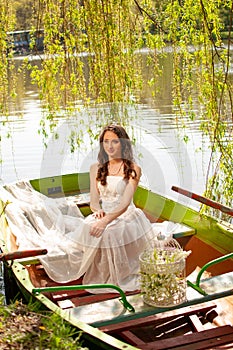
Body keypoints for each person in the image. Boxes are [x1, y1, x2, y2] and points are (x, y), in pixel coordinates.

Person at [4, 124, 155, 293]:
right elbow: (94, 201)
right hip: (104, 214)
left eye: (115, 142)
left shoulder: (133, 169)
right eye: (106, 142)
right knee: (89, 229)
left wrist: (105, 221)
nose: (110, 147)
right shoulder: (96, 168)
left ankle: (116, 275)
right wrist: (98, 212)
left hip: (126, 215)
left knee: (110, 232)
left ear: (123, 144)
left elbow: (125, 202)